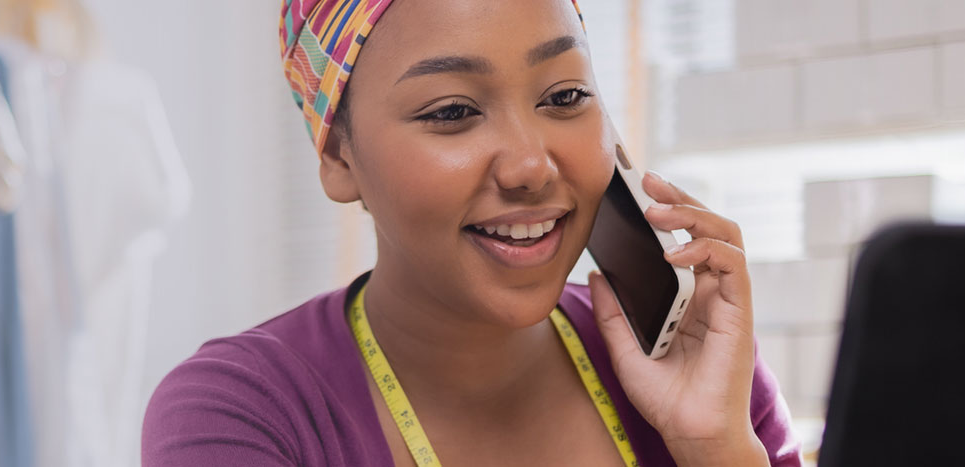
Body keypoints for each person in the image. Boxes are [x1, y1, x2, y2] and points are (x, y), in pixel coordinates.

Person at [142, 0, 800, 465]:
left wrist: (716, 449)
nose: (529, 165)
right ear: (340, 157)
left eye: (565, 96)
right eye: (452, 110)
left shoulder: (705, 370)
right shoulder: (241, 414)